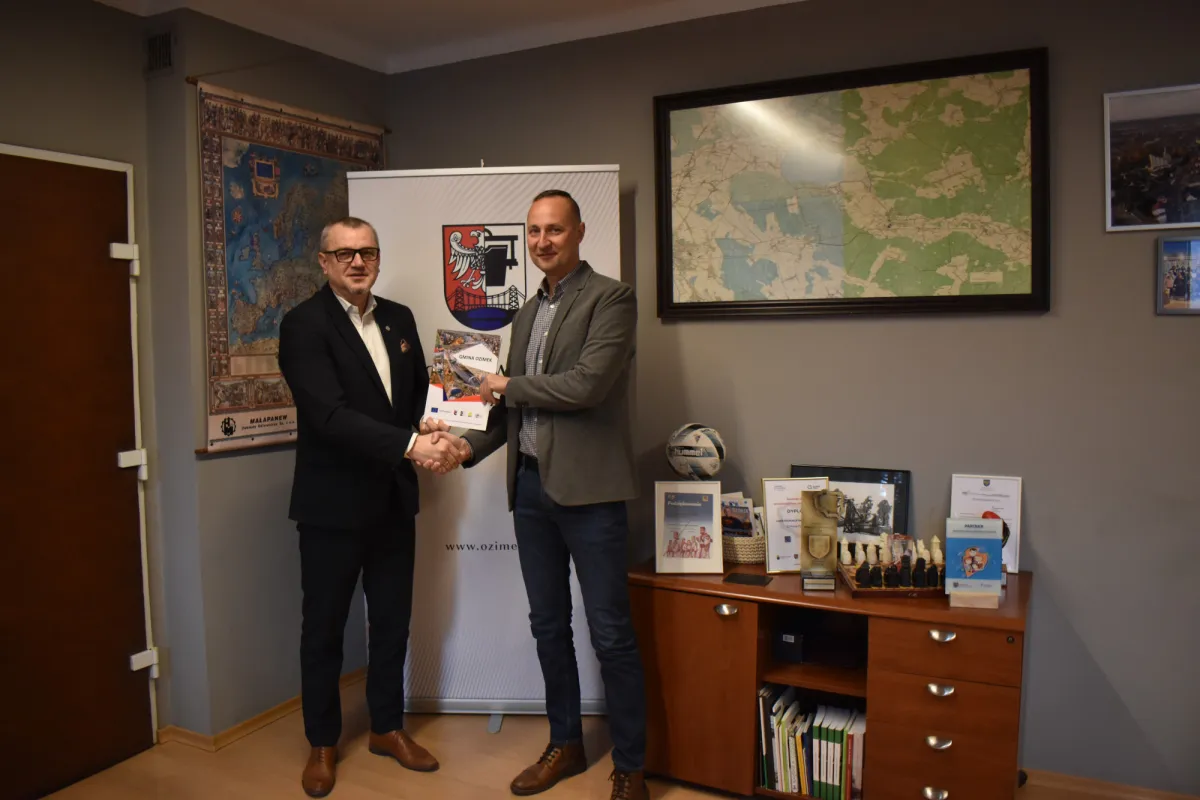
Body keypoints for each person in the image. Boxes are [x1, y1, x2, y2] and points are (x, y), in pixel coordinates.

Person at [449, 190, 648, 800]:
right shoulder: (527, 312)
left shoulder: (611, 297)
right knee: (548, 625)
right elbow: (510, 410)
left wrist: (504, 383)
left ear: (579, 232)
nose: (542, 241)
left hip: (590, 494)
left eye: (555, 230)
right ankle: (566, 743)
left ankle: (631, 767)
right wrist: (460, 447)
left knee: (610, 634)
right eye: (534, 231)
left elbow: (586, 386)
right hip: (531, 489)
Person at [278, 216, 470, 798]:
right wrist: (412, 445)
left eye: (367, 252)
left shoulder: (398, 318)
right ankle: (322, 742)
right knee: (324, 630)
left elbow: (413, 399)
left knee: (391, 623)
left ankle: (387, 727)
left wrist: (433, 424)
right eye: (344, 254)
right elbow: (328, 416)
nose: (358, 262)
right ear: (324, 262)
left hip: (391, 501)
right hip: (331, 507)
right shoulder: (303, 324)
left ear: (378, 258)